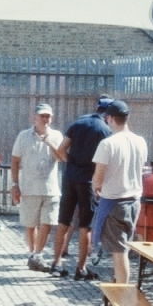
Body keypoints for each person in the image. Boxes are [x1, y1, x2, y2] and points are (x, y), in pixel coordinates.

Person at [51, 96, 112, 279]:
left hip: (70, 178)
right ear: (108, 114)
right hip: (88, 181)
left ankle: (56, 263)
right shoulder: (106, 130)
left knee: (63, 221)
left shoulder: (78, 123)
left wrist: (72, 163)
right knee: (86, 225)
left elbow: (61, 149)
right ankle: (81, 268)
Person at [90, 99, 150, 285]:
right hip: (134, 201)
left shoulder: (108, 144)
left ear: (109, 119)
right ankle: (117, 286)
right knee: (122, 246)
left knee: (119, 252)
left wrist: (95, 188)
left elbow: (98, 177)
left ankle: (122, 293)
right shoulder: (140, 141)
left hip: (114, 202)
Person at [10, 104, 66, 272]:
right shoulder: (23, 136)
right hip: (29, 188)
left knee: (47, 222)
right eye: (42, 116)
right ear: (34, 117)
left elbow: (62, 158)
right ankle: (32, 254)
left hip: (50, 188)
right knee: (31, 224)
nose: (45, 119)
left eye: (48, 116)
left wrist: (50, 143)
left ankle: (38, 255)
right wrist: (14, 184)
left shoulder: (56, 135)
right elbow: (15, 160)